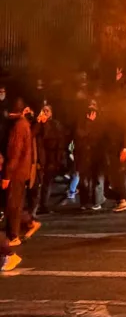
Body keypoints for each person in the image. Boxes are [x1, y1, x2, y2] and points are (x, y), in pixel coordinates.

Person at [1, 99, 41, 246]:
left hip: (16, 172)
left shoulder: (18, 127)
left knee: (12, 204)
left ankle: (13, 236)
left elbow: (15, 153)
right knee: (14, 203)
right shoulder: (23, 125)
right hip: (21, 171)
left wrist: (7, 176)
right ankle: (27, 223)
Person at [32, 105, 65, 215]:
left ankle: (44, 205)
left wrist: (58, 159)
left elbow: (53, 139)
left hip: (51, 159)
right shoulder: (37, 124)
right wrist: (39, 122)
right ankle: (36, 206)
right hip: (39, 159)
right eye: (43, 110)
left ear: (51, 112)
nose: (45, 112)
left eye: (47, 110)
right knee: (38, 183)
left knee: (47, 183)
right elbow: (32, 135)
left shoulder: (55, 124)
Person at [74, 107, 104, 210]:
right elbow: (80, 135)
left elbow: (98, 138)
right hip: (84, 156)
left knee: (95, 180)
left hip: (95, 156)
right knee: (84, 180)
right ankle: (85, 202)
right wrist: (89, 122)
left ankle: (96, 201)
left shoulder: (99, 126)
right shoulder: (81, 125)